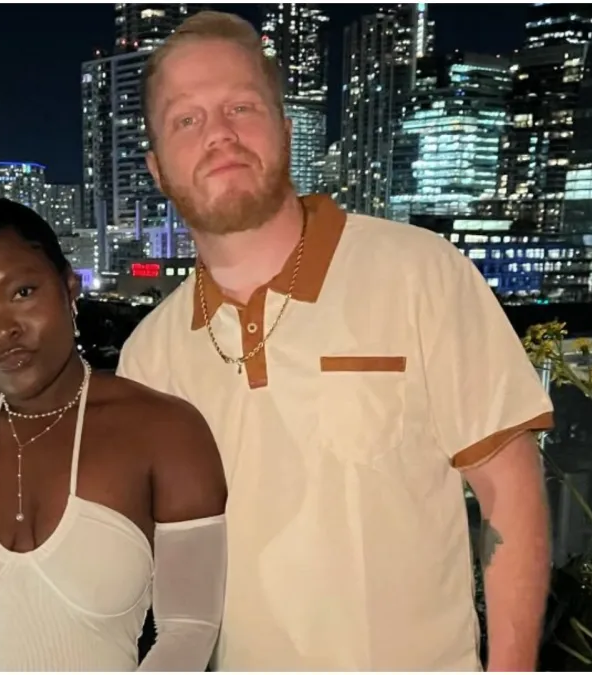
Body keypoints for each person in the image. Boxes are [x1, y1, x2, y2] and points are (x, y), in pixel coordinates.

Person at [116, 10, 554, 672]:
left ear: (286, 128)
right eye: (187, 119)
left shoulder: (418, 272)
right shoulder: (149, 357)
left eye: (241, 106)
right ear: (156, 168)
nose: (220, 133)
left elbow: (508, 488)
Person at [0, 198, 228, 672]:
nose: (1, 331)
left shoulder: (166, 433)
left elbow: (190, 627)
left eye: (23, 292)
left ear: (70, 287)